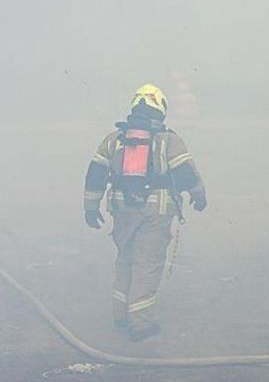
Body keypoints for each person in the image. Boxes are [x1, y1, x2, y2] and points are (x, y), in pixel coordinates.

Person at [82, 84, 207, 341]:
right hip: (155, 214)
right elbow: (185, 173)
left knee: (125, 260)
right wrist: (198, 195)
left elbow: (95, 174)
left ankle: (120, 315)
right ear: (160, 107)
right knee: (147, 265)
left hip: (121, 211)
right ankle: (140, 324)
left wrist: (90, 207)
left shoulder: (114, 139)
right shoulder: (169, 139)